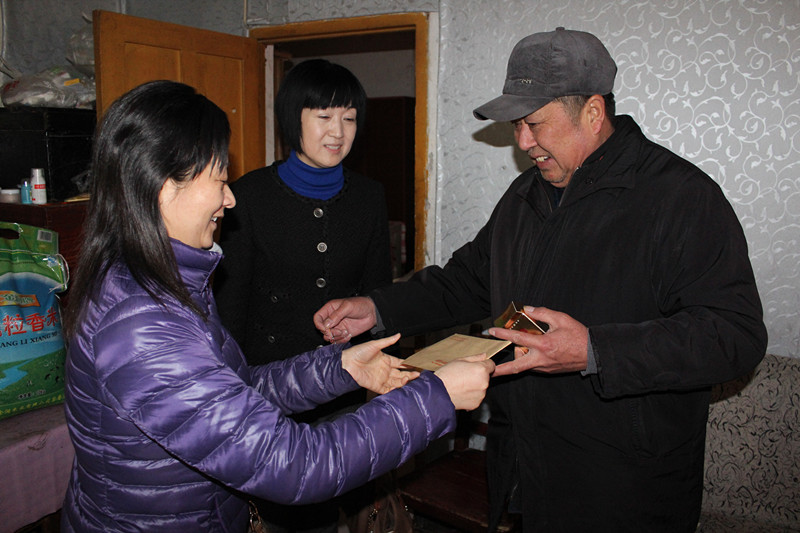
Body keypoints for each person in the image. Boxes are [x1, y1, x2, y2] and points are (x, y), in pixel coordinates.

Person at [314, 28, 767, 532]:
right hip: (525, 471)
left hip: (625, 487)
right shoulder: (522, 197)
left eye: (535, 124)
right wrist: (378, 307)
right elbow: (464, 282)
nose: (523, 142)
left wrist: (595, 350)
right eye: (517, 125)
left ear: (592, 113)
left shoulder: (681, 198)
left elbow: (736, 335)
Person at [60, 80, 495, 533]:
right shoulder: (142, 326)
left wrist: (339, 368)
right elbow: (294, 465)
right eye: (220, 180)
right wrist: (435, 398)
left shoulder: (161, 283)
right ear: (164, 186)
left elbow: (235, 395)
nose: (229, 199)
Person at [213, 58, 393, 533]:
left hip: (344, 381)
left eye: (349, 118)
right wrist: (234, 395)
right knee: (286, 514)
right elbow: (230, 306)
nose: (338, 131)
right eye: (324, 116)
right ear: (293, 119)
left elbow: (378, 293)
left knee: (337, 507)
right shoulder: (247, 196)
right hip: (269, 389)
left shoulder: (369, 196)